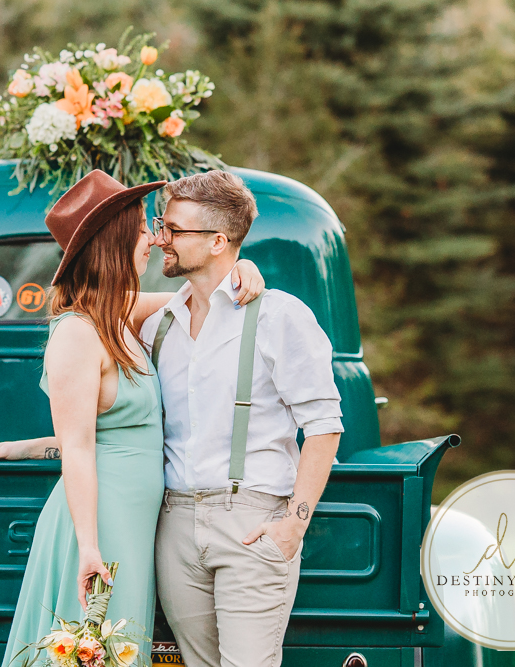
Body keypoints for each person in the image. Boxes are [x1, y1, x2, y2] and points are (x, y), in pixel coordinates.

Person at [0, 170, 265, 667]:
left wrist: (244, 268)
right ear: (114, 243)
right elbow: (80, 447)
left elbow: (205, 296)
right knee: (92, 651)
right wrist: (90, 547)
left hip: (134, 525)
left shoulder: (121, 314)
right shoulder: (75, 333)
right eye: (142, 229)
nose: (155, 240)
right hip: (101, 527)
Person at [142, 170, 344, 667]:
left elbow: (324, 425)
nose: (160, 239)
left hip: (252, 519)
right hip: (175, 524)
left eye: (173, 230)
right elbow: (88, 305)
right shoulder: (158, 325)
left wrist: (293, 526)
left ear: (216, 241)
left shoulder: (280, 317)